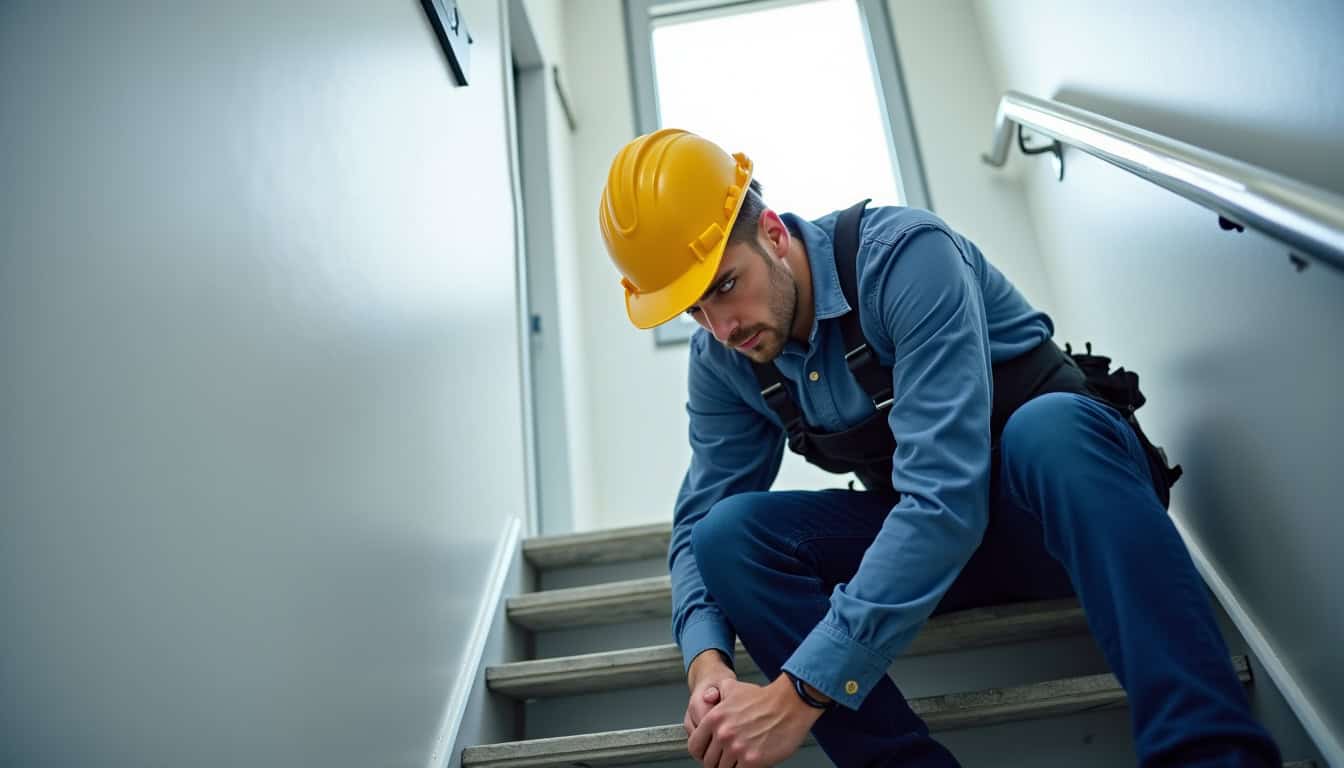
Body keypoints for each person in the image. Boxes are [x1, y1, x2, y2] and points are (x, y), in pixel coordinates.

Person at [596, 128, 1282, 768]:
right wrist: (707, 663)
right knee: (726, 535)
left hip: (1064, 514)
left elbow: (945, 495)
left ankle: (1208, 753)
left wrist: (800, 691)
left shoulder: (903, 258)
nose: (721, 326)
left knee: (1049, 430)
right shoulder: (724, 357)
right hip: (943, 558)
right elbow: (699, 520)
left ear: (773, 234)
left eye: (725, 285)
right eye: (695, 309)